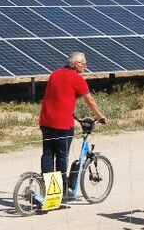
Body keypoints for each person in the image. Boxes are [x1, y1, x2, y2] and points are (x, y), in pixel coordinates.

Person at [39, 51, 106, 195]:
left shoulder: (55, 74)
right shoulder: (77, 79)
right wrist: (100, 116)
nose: (86, 66)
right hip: (62, 124)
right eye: (84, 63)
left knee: (48, 154)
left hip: (46, 120)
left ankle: (47, 187)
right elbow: (90, 101)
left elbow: (59, 96)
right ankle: (61, 190)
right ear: (76, 65)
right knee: (62, 156)